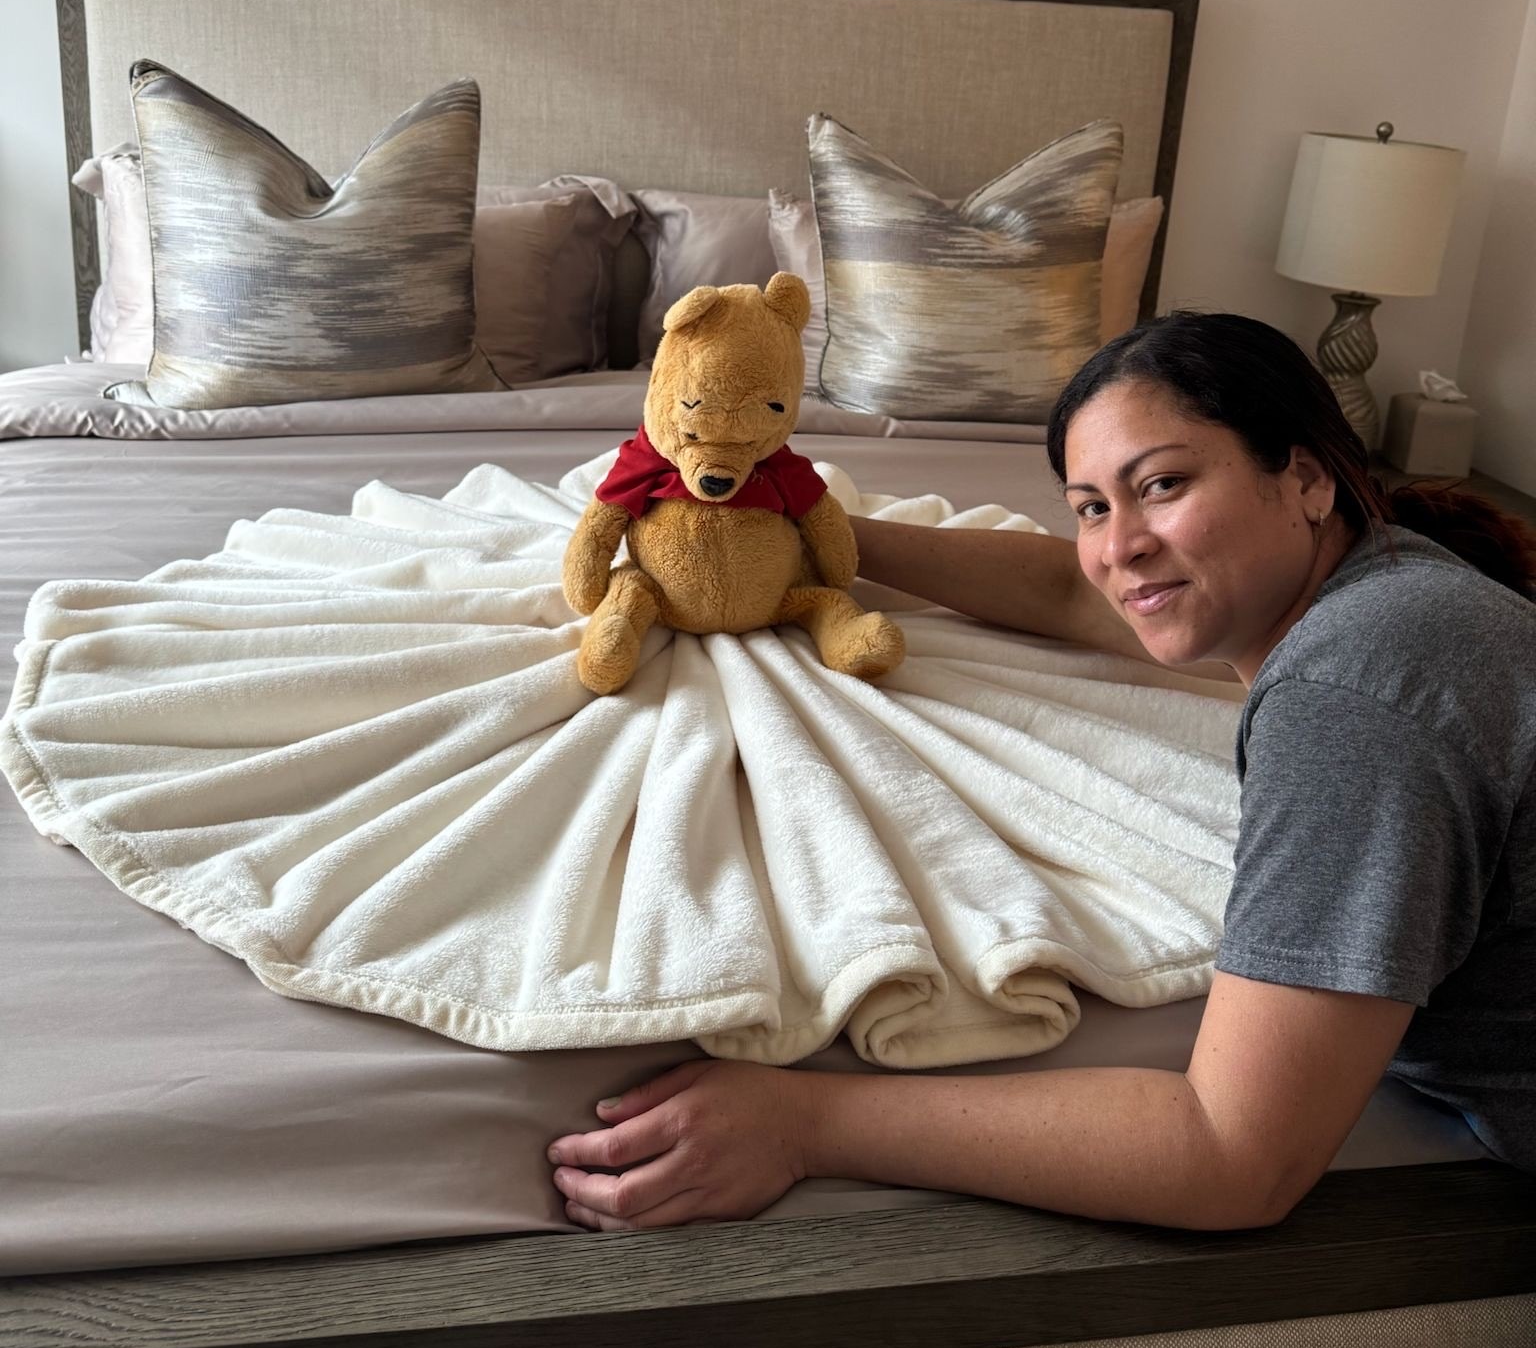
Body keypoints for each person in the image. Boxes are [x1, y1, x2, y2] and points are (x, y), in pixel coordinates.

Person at [547, 312, 1536, 1233]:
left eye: (1164, 484)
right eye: (1090, 505)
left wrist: (803, 1119)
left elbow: (1235, 1155)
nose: (1123, 545)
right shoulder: (1405, 581)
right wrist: (799, 536)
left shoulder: (1353, 695)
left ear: (1307, 476)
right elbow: (1073, 587)